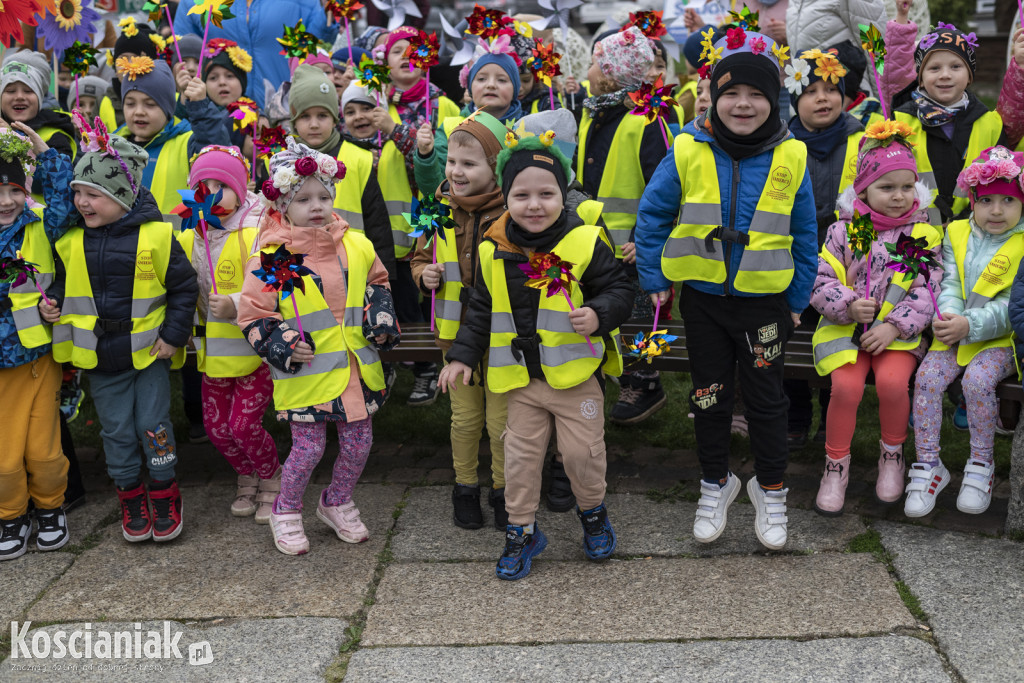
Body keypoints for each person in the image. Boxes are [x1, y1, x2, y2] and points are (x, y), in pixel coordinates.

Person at [635, 30, 818, 550]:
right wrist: (654, 279)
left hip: (766, 307)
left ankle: (771, 487)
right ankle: (715, 482)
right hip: (704, 304)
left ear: (774, 101)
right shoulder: (687, 148)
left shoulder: (792, 155)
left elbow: (806, 233)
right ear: (713, 96)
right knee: (709, 395)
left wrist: (796, 300)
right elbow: (652, 215)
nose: (743, 104)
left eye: (757, 94)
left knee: (767, 400)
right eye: (731, 93)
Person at [439, 132, 633, 581]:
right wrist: (463, 356)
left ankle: (593, 513)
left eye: (546, 194)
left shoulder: (584, 241)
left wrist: (599, 313)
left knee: (582, 455)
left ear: (563, 195)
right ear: (506, 197)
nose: (534, 205)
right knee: (519, 460)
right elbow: (481, 310)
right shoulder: (493, 249)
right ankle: (522, 530)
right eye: (521, 195)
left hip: (575, 375)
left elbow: (620, 289)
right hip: (522, 380)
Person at [237, 139, 399, 556]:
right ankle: (286, 509)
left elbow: (377, 283)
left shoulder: (357, 245)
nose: (316, 206)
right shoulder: (271, 259)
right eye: (303, 199)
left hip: (356, 367)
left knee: (359, 443)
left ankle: (336, 501)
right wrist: (282, 344)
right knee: (308, 448)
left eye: (324, 197)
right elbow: (253, 314)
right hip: (307, 372)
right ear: (282, 204)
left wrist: (379, 319)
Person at [41, 130, 198, 543]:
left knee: (152, 424)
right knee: (116, 431)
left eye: (94, 193)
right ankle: (129, 493)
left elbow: (184, 289)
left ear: (123, 196)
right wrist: (53, 301)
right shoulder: (71, 242)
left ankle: (164, 489)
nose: (82, 202)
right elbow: (65, 283)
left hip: (148, 354)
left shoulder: (157, 236)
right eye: (78, 192)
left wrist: (173, 336)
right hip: (101, 358)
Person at [810, 122, 941, 515]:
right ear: (863, 190)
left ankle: (892, 455)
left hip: (897, 334)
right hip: (845, 328)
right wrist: (849, 304)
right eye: (887, 187)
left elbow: (927, 289)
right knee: (845, 387)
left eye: (906, 186)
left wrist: (893, 325)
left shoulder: (922, 233)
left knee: (892, 383)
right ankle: (835, 465)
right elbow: (821, 278)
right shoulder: (846, 230)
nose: (899, 196)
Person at [909, 146, 1024, 517]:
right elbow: (949, 282)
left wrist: (969, 325)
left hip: (1003, 341)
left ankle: (980, 464)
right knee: (927, 379)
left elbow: (1013, 304)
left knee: (977, 382)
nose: (996, 210)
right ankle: (929, 465)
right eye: (986, 200)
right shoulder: (957, 232)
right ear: (973, 200)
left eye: (1008, 200)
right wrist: (949, 317)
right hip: (955, 330)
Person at [411, 113, 511, 530]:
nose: (456, 171)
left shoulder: (512, 210)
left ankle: (504, 489)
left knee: (502, 421)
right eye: (451, 161)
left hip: (503, 336)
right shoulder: (434, 208)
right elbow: (418, 258)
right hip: (454, 334)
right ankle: (465, 486)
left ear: (496, 167)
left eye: (469, 164)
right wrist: (424, 275)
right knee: (466, 419)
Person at [178, 145, 281, 522]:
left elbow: (274, 282)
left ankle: (271, 476)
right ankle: (246, 473)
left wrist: (237, 302)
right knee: (217, 428)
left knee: (243, 424)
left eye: (221, 185)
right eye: (202, 186)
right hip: (214, 351)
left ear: (241, 188)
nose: (211, 193)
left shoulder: (258, 229)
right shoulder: (191, 234)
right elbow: (181, 286)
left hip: (254, 349)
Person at [578, 27, 670, 425]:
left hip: (632, 244)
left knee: (639, 315)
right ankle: (612, 374)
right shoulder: (593, 114)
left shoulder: (644, 119)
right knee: (609, 311)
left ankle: (646, 381)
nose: (588, 70)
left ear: (610, 74)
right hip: (595, 243)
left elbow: (662, 186)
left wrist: (643, 237)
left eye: (594, 63)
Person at [0, 124, 76, 560]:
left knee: (44, 448)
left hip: (38, 359)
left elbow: (66, 202)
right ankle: (11, 515)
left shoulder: (40, 225)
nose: (6, 201)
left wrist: (45, 155)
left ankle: (50, 508)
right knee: (5, 454)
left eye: (15, 189)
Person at [784, 49, 865, 447]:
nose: (823, 98)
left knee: (835, 335)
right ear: (794, 98)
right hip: (793, 260)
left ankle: (829, 412)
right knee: (792, 334)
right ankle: (796, 413)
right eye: (811, 90)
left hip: (843, 265)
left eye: (832, 89)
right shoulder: (781, 142)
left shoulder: (863, 140)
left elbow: (871, 200)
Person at [882, 3, 1005, 225]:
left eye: (956, 67)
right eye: (934, 68)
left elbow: (1001, 184)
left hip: (973, 233)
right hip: (915, 233)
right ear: (920, 78)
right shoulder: (901, 122)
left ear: (970, 76)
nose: (945, 75)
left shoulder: (990, 124)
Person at [115, 56, 230, 214]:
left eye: (150, 104)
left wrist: (201, 108)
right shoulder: (112, 145)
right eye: (130, 103)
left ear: (168, 108)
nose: (139, 111)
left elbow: (219, 155)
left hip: (174, 230)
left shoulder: (187, 142)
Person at [174, 0, 333, 108]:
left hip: (283, 111)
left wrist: (328, 16)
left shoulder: (305, 2)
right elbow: (182, 55)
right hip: (214, 114)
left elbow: (316, 52)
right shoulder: (193, 3)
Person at [0, 60, 76, 163]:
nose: (19, 96)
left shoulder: (55, 135)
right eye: (11, 91)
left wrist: (12, 139)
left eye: (28, 91)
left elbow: (62, 172)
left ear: (40, 98)